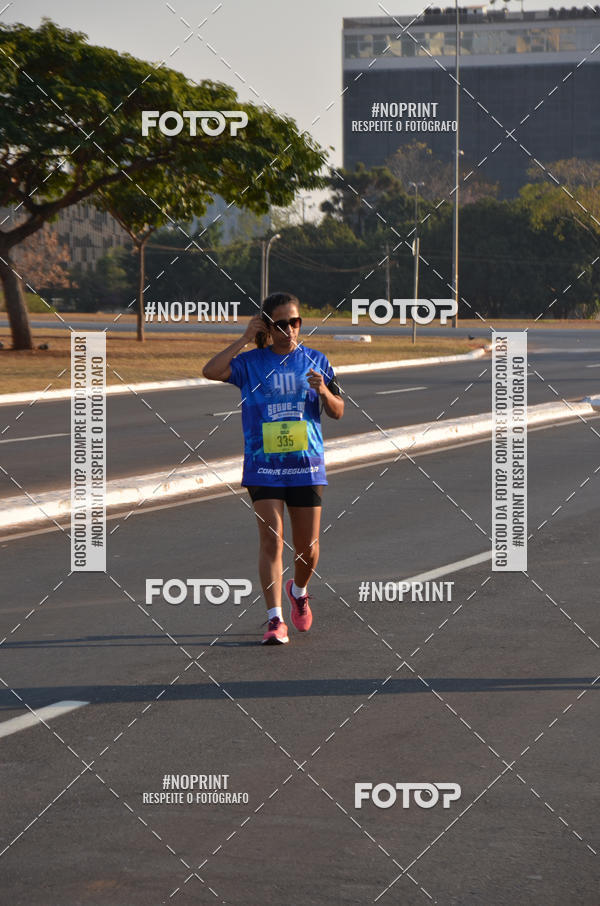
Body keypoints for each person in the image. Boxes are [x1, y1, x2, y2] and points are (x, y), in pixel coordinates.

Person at [202, 292, 344, 644]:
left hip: (306, 465)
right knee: (271, 541)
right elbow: (211, 370)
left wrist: (324, 391)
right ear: (267, 325)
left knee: (307, 548)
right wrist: (242, 339)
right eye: (282, 324)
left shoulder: (316, 360)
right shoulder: (251, 363)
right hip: (263, 466)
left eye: (295, 322)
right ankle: (274, 619)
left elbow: (338, 410)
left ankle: (298, 589)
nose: (290, 329)